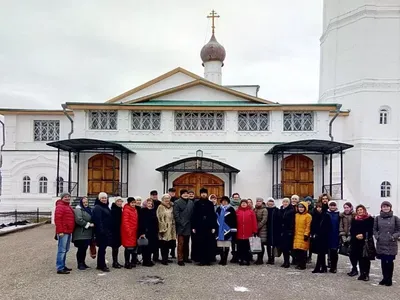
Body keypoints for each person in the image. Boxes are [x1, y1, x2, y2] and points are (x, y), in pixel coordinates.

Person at [374, 201, 400, 286]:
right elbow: (374, 229)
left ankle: (389, 279)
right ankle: (384, 278)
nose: (385, 208)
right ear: (381, 208)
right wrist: (377, 236)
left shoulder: (395, 218)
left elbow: (398, 230)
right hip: (381, 243)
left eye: (387, 206)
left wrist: (393, 237)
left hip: (391, 243)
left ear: (390, 208)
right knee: (383, 261)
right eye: (384, 207)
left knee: (389, 261)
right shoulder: (377, 218)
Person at [192, 188, 218, 266]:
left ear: (207, 194)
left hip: (208, 226)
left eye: (205, 193)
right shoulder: (197, 203)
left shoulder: (210, 203)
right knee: (200, 243)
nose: (203, 194)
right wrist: (194, 227)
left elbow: (213, 215)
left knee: (209, 243)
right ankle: (201, 260)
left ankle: (208, 260)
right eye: (202, 193)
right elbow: (194, 215)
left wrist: (214, 227)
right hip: (199, 226)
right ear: (200, 194)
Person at [350, 204, 374, 281]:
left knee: (366, 258)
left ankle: (366, 274)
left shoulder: (370, 219)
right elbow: (352, 230)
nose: (360, 211)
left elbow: (371, 230)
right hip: (356, 241)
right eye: (358, 210)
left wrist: (363, 235)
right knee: (359, 258)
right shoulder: (355, 219)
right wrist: (356, 235)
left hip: (366, 241)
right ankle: (361, 274)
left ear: (364, 210)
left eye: (361, 210)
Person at [54, 192, 75, 274]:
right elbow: (57, 220)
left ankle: (63, 265)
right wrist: (60, 231)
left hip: (68, 231)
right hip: (63, 231)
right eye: (65, 197)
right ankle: (60, 267)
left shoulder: (68, 206)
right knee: (62, 250)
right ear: (62, 198)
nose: (67, 198)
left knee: (66, 249)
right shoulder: (60, 206)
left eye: (68, 197)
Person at [92, 192, 113, 272]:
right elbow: (98, 220)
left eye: (105, 198)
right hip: (101, 232)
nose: (104, 199)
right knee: (102, 249)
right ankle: (102, 265)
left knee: (103, 249)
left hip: (106, 231)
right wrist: (101, 231)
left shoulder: (105, 207)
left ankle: (99, 264)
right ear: (99, 199)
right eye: (102, 198)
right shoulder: (97, 207)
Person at [173, 189, 194, 266]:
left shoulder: (191, 202)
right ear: (181, 194)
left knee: (187, 242)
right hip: (181, 225)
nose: (186, 195)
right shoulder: (177, 202)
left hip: (188, 225)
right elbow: (176, 214)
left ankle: (186, 257)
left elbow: (192, 213)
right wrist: (181, 222)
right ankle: (180, 259)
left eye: (187, 193)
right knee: (180, 243)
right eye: (184, 194)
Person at [72, 197, 94, 270]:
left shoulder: (89, 209)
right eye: (84, 202)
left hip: (87, 233)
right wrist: (88, 224)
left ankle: (83, 263)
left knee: (84, 249)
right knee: (81, 249)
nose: (85, 203)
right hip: (80, 233)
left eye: (86, 202)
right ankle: (80, 264)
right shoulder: (78, 209)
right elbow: (79, 219)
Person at [216, 196, 237, 265]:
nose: (224, 202)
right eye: (223, 201)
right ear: (221, 202)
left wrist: (233, 229)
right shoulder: (218, 209)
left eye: (226, 201)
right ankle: (222, 259)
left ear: (228, 202)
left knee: (227, 245)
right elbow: (216, 219)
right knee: (220, 246)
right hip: (219, 229)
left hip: (228, 229)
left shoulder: (231, 209)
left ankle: (225, 259)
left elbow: (234, 220)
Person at [310, 202, 330, 273]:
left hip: (324, 236)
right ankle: (323, 267)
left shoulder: (326, 215)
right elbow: (312, 225)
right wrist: (312, 233)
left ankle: (318, 267)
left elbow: (328, 226)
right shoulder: (314, 214)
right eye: (317, 207)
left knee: (321, 252)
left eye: (320, 207)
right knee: (320, 252)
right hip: (316, 235)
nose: (318, 208)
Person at [236, 199, 257, 266]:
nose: (244, 204)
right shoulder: (237, 211)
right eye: (242, 203)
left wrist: (254, 230)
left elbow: (254, 222)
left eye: (245, 203)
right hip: (239, 233)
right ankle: (241, 259)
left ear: (247, 204)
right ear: (240, 204)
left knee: (247, 248)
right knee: (240, 247)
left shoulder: (251, 212)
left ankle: (247, 260)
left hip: (248, 233)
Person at [157, 193, 176, 265]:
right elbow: (160, 218)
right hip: (164, 227)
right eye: (165, 198)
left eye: (168, 198)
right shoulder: (161, 207)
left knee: (169, 243)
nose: (167, 200)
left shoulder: (171, 206)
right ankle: (163, 259)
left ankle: (167, 258)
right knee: (163, 243)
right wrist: (162, 228)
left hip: (171, 227)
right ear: (163, 199)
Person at [139, 199, 159, 267]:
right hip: (145, 231)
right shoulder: (143, 211)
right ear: (145, 204)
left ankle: (149, 260)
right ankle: (145, 261)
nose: (150, 205)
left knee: (151, 247)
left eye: (151, 203)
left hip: (152, 232)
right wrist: (142, 232)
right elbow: (141, 222)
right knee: (145, 247)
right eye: (148, 203)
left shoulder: (153, 211)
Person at [121, 197, 139, 269]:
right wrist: (129, 231)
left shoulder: (135, 210)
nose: (133, 204)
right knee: (128, 248)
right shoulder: (126, 210)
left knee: (134, 248)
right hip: (129, 232)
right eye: (132, 203)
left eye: (134, 202)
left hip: (134, 231)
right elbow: (125, 222)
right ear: (129, 203)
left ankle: (133, 261)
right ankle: (127, 262)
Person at [293, 201, 312, 270]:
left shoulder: (308, 216)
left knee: (303, 251)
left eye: (302, 207)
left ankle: (303, 265)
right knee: (297, 251)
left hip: (303, 235)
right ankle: (298, 263)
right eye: (299, 207)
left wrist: (306, 234)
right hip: (296, 235)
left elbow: (308, 226)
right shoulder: (296, 215)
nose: (300, 209)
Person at [340, 202, 356, 276]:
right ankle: (353, 268)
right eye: (345, 207)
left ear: (351, 208)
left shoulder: (354, 216)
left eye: (347, 207)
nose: (346, 209)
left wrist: (350, 236)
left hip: (352, 237)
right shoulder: (342, 216)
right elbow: (341, 226)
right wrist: (343, 236)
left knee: (353, 253)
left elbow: (353, 226)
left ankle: (355, 268)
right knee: (349, 253)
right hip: (344, 236)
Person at [279, 198, 295, 268]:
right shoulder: (281, 210)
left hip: (288, 231)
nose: (285, 203)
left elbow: (292, 221)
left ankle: (288, 261)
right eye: (284, 202)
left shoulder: (291, 210)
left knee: (288, 247)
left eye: (286, 202)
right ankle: (285, 261)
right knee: (283, 247)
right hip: (282, 231)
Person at [265, 197, 280, 265]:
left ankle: (273, 258)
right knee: (268, 244)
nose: (270, 203)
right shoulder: (265, 209)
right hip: (266, 229)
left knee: (273, 244)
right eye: (269, 201)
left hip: (275, 229)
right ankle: (269, 257)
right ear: (267, 202)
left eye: (271, 202)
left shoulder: (276, 210)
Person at [327, 201, 340, 273]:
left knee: (334, 251)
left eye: (334, 206)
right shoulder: (326, 213)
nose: (332, 207)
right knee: (328, 251)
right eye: (331, 206)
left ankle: (334, 266)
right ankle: (329, 264)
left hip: (335, 235)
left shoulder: (339, 214)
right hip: (328, 235)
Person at [110, 197, 123, 269]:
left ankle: (116, 261)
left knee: (116, 247)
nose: (120, 203)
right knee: (115, 247)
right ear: (115, 202)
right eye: (118, 201)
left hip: (118, 230)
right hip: (114, 231)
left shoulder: (119, 209)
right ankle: (114, 262)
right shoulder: (114, 210)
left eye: (120, 201)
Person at [254, 197, 268, 265]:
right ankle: (258, 258)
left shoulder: (264, 210)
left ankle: (260, 259)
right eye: (257, 201)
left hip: (262, 229)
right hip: (256, 228)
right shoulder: (255, 209)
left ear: (262, 202)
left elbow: (264, 220)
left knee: (261, 244)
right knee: (257, 244)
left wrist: (258, 226)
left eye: (260, 201)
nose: (258, 202)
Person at [230, 192, 241, 263]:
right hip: (232, 225)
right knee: (233, 241)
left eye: (237, 197)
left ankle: (239, 255)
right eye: (235, 197)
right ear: (232, 198)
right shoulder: (230, 206)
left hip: (240, 226)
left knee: (239, 241)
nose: (236, 198)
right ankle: (234, 255)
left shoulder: (241, 205)